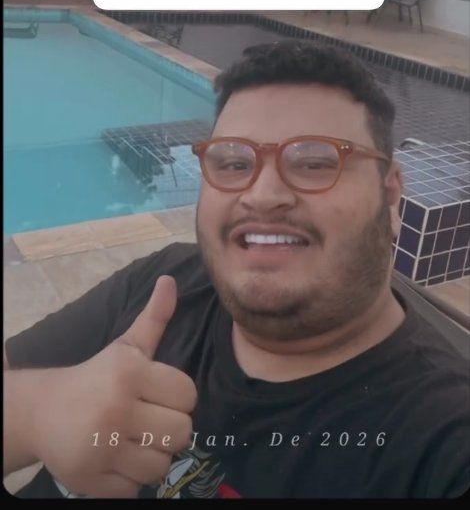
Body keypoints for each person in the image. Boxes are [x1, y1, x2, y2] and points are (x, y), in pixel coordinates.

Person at [4, 42, 469, 499]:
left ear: (390, 194)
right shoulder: (167, 282)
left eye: (314, 162)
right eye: (233, 162)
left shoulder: (443, 441)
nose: (262, 195)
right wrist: (36, 413)